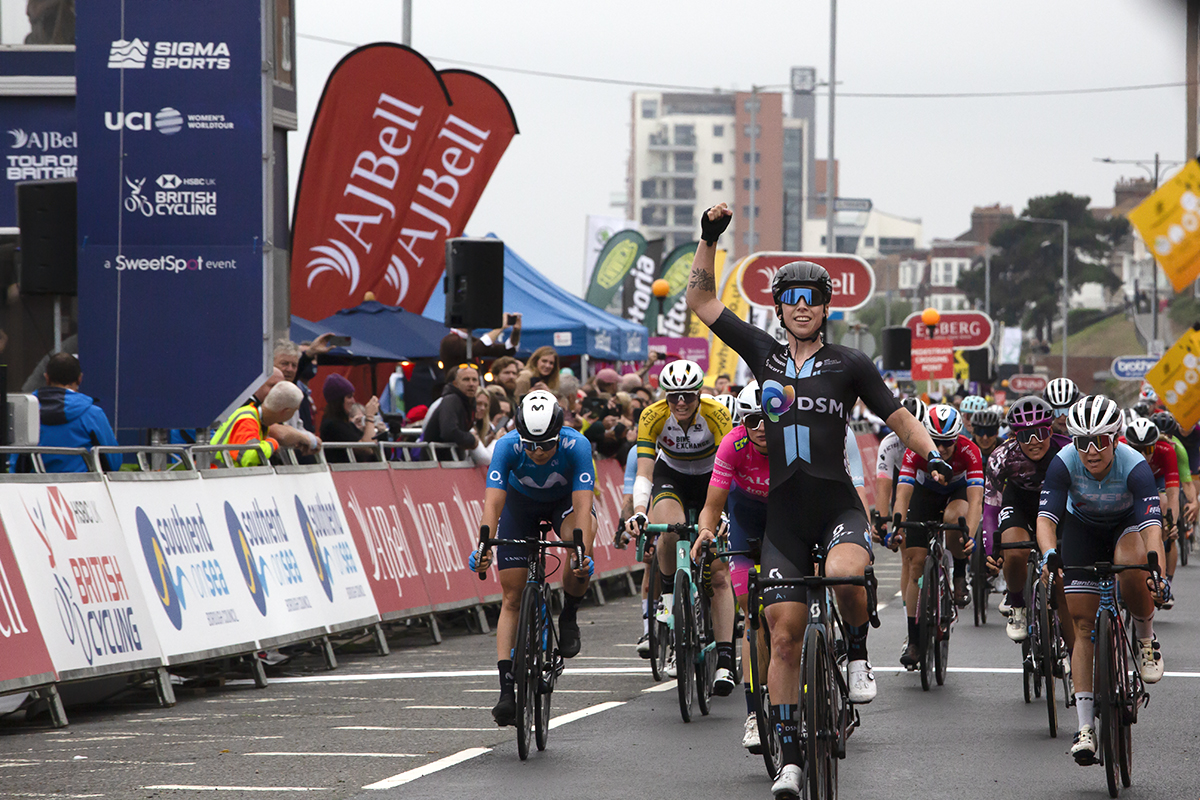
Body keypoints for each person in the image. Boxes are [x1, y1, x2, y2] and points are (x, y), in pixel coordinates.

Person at [684, 204, 949, 800]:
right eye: (792, 297)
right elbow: (701, 304)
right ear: (779, 307)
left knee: (848, 574)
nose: (802, 305)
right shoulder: (761, 353)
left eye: (813, 297)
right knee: (782, 635)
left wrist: (930, 453)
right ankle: (790, 758)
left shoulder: (849, 363)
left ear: (827, 307)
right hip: (784, 518)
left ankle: (856, 651)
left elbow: (897, 416)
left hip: (836, 508)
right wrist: (707, 240)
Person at [1036, 395, 1167, 765]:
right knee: (1081, 626)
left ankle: (1144, 637)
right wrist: (1049, 554)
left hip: (1125, 526)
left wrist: (1154, 565)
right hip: (1083, 529)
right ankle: (1084, 728)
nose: (1091, 451)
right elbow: (1047, 519)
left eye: (1100, 441)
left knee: (1132, 565)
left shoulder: (1135, 466)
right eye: (1082, 442)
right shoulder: (1063, 465)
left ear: (1115, 439)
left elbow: (1151, 524)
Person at [470, 391, 596, 727]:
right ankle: (506, 688)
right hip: (520, 507)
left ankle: (569, 612)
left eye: (546, 444)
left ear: (559, 434)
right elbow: (493, 505)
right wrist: (483, 546)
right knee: (511, 595)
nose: (537, 452)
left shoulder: (577, 445)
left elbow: (583, 507)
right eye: (530, 444)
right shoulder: (506, 446)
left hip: (563, 505)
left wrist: (580, 552)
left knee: (578, 546)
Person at [625, 358, 732, 679]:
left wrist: (724, 512)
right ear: (665, 397)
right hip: (671, 475)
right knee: (669, 531)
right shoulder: (652, 416)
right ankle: (670, 598)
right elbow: (644, 471)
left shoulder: (717, 415)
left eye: (687, 395)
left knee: (717, 570)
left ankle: (724, 657)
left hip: (713, 477)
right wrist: (640, 511)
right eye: (673, 396)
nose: (680, 402)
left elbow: (731, 468)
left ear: (699, 394)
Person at [691, 382, 770, 751]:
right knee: (753, 617)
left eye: (769, 418)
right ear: (743, 422)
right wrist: (706, 529)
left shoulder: (795, 442)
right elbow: (713, 502)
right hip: (746, 526)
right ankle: (754, 713)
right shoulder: (733, 445)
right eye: (753, 420)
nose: (761, 427)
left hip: (791, 525)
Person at [891, 404, 983, 665]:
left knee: (956, 519)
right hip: (925, 496)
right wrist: (897, 527)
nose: (941, 449)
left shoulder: (969, 451)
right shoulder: (915, 452)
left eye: (947, 444)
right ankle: (913, 641)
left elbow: (976, 502)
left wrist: (971, 536)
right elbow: (903, 495)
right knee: (915, 564)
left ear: (957, 439)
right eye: (936, 443)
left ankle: (960, 574)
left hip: (957, 494)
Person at [980, 396, 1067, 644]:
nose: (1034, 442)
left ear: (1050, 429)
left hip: (1057, 506)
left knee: (1066, 559)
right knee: (1015, 551)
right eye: (1024, 435)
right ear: (1014, 436)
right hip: (1018, 502)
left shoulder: (1067, 451)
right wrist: (990, 550)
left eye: (1040, 433)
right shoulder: (1001, 457)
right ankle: (1017, 605)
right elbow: (990, 507)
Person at [15, 353, 120, 473]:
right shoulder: (93, 414)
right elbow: (113, 462)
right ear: (80, 378)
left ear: (47, 377)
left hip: (35, 488)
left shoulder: (27, 412)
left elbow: (16, 464)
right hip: (83, 488)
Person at [211, 382, 303, 467]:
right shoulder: (247, 420)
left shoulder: (252, 414)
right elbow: (249, 457)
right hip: (216, 479)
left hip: (220, 479)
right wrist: (273, 443)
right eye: (295, 410)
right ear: (286, 411)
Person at [423, 364, 483, 460]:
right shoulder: (452, 400)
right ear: (455, 384)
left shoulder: (469, 402)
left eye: (474, 380)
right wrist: (471, 439)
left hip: (449, 462)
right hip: (438, 463)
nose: (471, 384)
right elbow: (449, 432)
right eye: (466, 379)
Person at [319, 374, 381, 463]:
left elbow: (374, 448)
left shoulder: (346, 425)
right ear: (338, 401)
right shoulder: (333, 425)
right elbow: (367, 448)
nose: (353, 401)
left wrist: (380, 433)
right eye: (349, 397)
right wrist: (370, 417)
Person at [438, 313, 522, 366]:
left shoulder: (470, 340)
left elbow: (507, 350)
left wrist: (516, 331)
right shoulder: (450, 341)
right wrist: (499, 328)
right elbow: (476, 349)